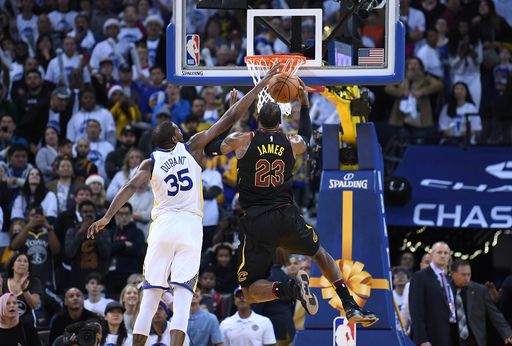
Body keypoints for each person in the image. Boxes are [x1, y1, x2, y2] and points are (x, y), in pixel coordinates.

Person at [87, 64, 280, 346]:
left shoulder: (149, 162)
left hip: (163, 226)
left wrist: (106, 217)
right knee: (182, 298)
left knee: (151, 296)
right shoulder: (192, 146)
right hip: (190, 226)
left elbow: (129, 187)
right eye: (178, 128)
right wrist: (262, 82)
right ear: (175, 137)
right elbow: (230, 118)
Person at [220, 79, 377, 325]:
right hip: (286, 216)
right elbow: (307, 136)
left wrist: (232, 115)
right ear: (280, 121)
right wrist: (303, 104)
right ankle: (349, 305)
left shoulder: (243, 139)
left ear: (258, 119)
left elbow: (219, 144)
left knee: (248, 291)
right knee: (321, 255)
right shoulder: (291, 143)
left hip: (257, 222)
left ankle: (289, 290)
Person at [450, 259, 512, 346]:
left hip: (474, 340)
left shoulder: (480, 290)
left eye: (469, 274)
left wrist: (508, 334)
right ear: (453, 274)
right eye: (463, 275)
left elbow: (495, 315)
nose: (467, 278)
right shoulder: (446, 290)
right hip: (452, 340)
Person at [409, 241, 455, 346]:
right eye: (439, 252)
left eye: (446, 253)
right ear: (431, 255)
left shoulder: (448, 279)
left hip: (447, 336)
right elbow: (416, 310)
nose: (443, 255)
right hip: (429, 337)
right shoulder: (420, 277)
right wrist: (422, 339)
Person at [0, 252, 43, 327]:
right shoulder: (3, 280)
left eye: (25, 261)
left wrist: (25, 289)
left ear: (28, 266)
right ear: (12, 265)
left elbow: (34, 305)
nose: (22, 263)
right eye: (19, 260)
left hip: (27, 325)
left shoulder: (34, 281)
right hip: (5, 324)